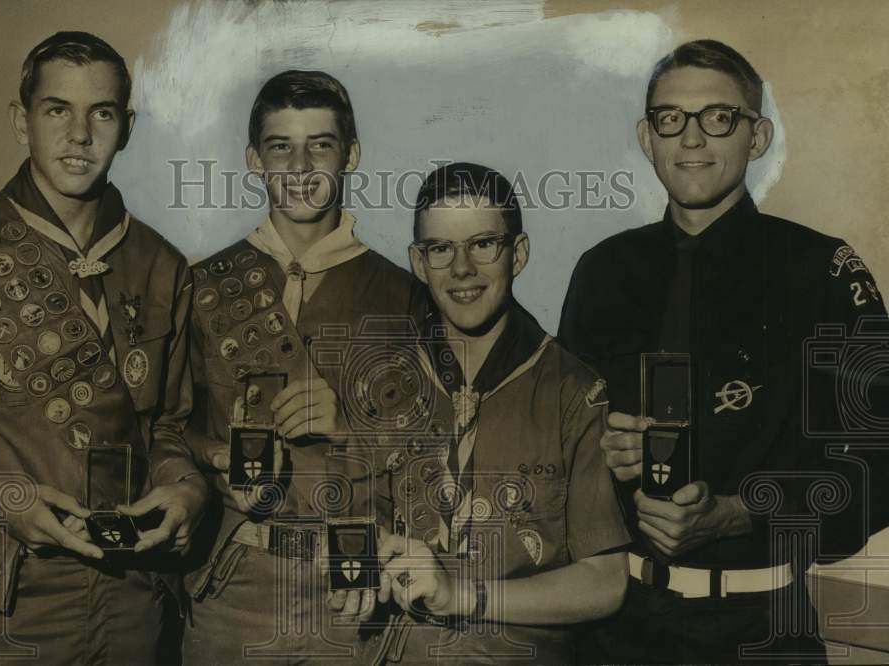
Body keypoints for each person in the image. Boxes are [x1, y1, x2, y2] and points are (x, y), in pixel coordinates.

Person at [558, 39, 888, 664]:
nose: (691, 139)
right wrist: (599, 450)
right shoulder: (602, 271)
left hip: (759, 628)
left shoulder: (820, 270)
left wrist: (741, 512)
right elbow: (555, 447)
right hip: (612, 630)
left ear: (756, 135)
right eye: (670, 119)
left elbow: (882, 462)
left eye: (719, 117)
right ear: (646, 135)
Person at [0, 31, 208, 664]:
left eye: (103, 113)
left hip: (135, 600)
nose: (80, 134)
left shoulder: (161, 265)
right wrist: (1, 499)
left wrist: (187, 488)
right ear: (21, 120)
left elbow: (171, 426)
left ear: (128, 127)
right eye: (57, 110)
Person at [182, 70, 427, 663]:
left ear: (351, 155)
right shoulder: (199, 286)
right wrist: (211, 456)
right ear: (253, 160)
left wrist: (353, 426)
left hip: (355, 578)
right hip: (234, 575)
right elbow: (166, 428)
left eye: (320, 143)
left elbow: (440, 447)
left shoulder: (407, 294)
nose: (300, 164)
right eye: (279, 146)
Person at [366, 162, 629, 665]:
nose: (461, 268)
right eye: (440, 248)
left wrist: (466, 595)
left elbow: (606, 582)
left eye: (483, 243)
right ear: (418, 263)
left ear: (519, 253)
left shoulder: (573, 392)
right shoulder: (384, 382)